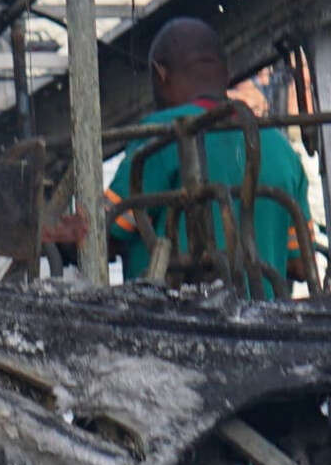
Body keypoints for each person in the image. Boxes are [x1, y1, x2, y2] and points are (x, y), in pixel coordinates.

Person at [110, 17, 314, 296]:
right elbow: (302, 264)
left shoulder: (159, 136)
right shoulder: (282, 149)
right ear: (226, 73)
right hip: (267, 324)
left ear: (160, 74)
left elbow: (106, 231)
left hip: (171, 323)